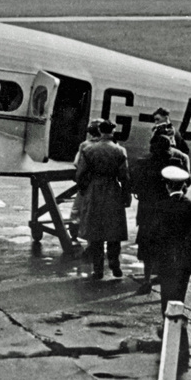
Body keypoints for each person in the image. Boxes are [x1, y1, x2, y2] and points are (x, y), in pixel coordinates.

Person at [148, 165, 191, 321]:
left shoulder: (159, 206)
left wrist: (151, 261)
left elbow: (152, 237)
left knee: (166, 295)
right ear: (184, 186)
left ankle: (166, 327)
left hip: (165, 259)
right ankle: (175, 326)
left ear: (167, 185)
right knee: (179, 295)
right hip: (185, 258)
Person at [131, 133, 190, 294]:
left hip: (148, 211)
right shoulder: (176, 162)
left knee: (147, 247)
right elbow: (185, 185)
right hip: (170, 211)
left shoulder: (142, 163)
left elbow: (134, 186)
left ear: (151, 147)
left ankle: (147, 279)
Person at [75, 118, 132, 280]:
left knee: (96, 233)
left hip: (94, 191)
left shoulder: (88, 149)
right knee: (114, 232)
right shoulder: (120, 151)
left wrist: (85, 189)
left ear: (99, 131)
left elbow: (80, 174)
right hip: (113, 190)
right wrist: (126, 196)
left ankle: (98, 270)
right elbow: (124, 177)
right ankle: (115, 266)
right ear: (112, 132)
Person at [69, 119, 103, 240]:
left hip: (86, 182)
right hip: (102, 184)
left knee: (77, 209)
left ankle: (74, 231)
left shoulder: (84, 145)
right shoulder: (112, 145)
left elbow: (76, 163)